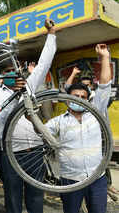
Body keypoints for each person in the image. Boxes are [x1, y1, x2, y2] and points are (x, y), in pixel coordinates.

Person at [0, 18, 56, 213]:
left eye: (14, 70)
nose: (12, 73)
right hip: (11, 155)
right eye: (8, 71)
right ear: (2, 76)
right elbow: (6, 117)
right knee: (13, 199)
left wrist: (51, 35)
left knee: (36, 199)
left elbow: (44, 64)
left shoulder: (29, 86)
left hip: (35, 151)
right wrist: (18, 96)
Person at [45, 43, 112, 213]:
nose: (79, 100)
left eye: (83, 97)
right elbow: (41, 132)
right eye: (76, 97)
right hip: (70, 180)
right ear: (68, 99)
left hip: (97, 178)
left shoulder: (97, 114)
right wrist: (31, 117)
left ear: (88, 100)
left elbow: (104, 85)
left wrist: (105, 57)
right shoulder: (58, 121)